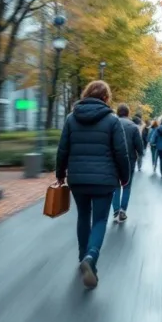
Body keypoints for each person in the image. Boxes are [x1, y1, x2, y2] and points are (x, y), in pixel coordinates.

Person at [56, 81, 131, 289]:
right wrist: (125, 178)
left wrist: (60, 174)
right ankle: (90, 257)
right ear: (106, 98)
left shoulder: (71, 118)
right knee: (99, 220)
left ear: (86, 94)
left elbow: (63, 149)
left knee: (83, 216)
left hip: (78, 179)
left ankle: (82, 257)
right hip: (104, 180)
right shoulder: (112, 120)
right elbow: (121, 153)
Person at [112, 105, 145, 223]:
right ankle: (123, 210)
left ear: (118, 112)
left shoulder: (112, 124)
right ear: (128, 113)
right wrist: (140, 153)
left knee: (115, 186)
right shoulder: (133, 126)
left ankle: (115, 210)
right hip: (129, 160)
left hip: (113, 160)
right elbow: (139, 145)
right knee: (127, 185)